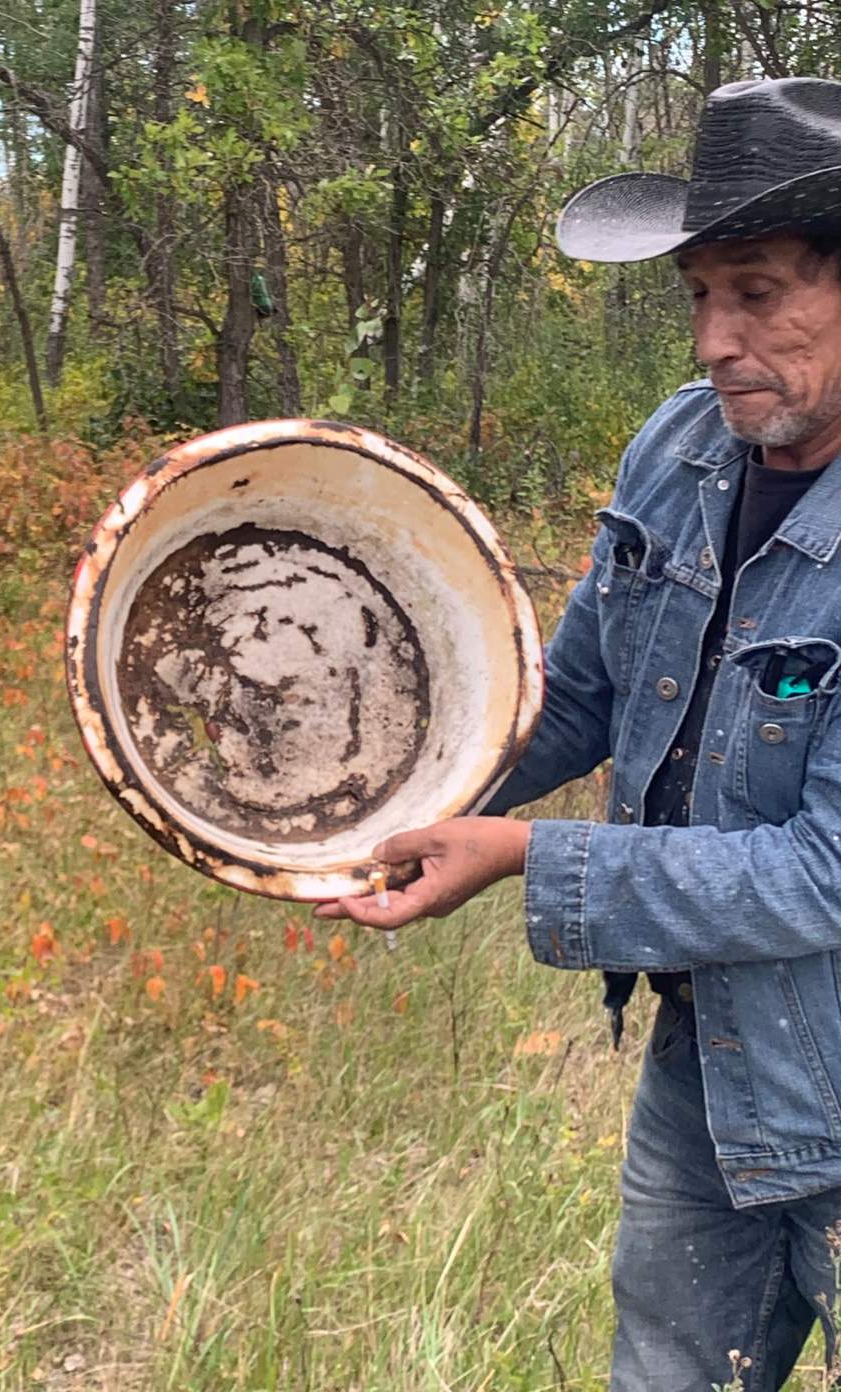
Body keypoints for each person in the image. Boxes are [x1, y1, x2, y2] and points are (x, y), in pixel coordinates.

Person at [315, 77, 841, 1389]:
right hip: (712, 1063)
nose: (714, 339)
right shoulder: (682, 448)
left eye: (757, 292)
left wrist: (524, 857)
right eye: (698, 293)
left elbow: (821, 871)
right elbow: (589, 690)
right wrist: (378, 780)